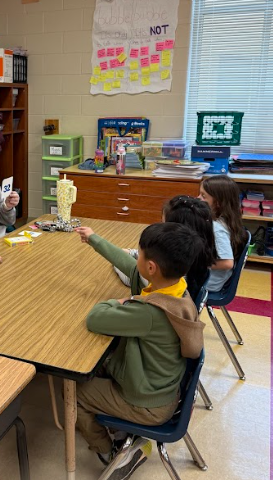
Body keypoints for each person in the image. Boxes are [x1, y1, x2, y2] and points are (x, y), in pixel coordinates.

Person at [74, 222, 205, 480]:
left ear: (151, 267)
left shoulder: (149, 313)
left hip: (149, 404)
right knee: (99, 364)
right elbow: (127, 264)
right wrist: (94, 239)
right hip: (163, 387)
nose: (136, 257)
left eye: (140, 253)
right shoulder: (178, 290)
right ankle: (121, 432)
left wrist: (120, 301)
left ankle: (110, 453)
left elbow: (95, 318)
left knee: (77, 392)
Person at [116, 196, 217, 300]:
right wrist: (132, 252)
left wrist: (115, 260)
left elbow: (129, 278)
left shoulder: (168, 276)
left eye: (163, 223)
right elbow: (157, 253)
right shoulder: (194, 257)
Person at [198, 175, 248, 292]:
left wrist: (198, 264)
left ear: (218, 203)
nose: (198, 198)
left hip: (209, 283)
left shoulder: (217, 228)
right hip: (211, 279)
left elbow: (227, 263)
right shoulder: (226, 220)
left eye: (203, 196)